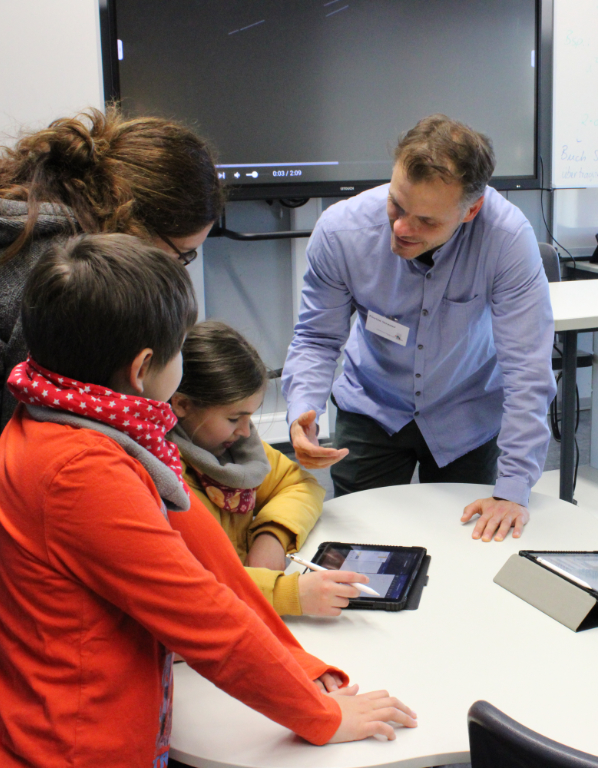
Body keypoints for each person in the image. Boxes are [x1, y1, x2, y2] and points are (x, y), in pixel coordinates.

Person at [0, 234, 416, 767]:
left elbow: (217, 570)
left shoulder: (69, 417)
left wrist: (306, 671)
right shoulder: (82, 471)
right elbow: (206, 621)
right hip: (79, 748)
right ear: (143, 367)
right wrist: (323, 717)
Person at [283, 114, 556, 543]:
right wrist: (303, 409)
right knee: (361, 542)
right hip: (373, 407)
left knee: (468, 546)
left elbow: (528, 368)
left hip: (464, 411)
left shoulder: (506, 240)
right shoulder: (342, 232)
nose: (401, 228)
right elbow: (317, 338)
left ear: (472, 210)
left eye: (427, 221)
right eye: (396, 204)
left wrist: (514, 488)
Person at [0, 105, 223, 432]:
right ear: (138, 228)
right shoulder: (65, 281)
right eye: (182, 255)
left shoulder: (32, 221)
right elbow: (30, 438)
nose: (180, 271)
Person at [169, 320, 363, 617]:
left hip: (246, 608)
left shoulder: (233, 447)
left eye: (250, 416)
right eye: (234, 419)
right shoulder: (163, 479)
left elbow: (300, 484)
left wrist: (272, 535)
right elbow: (190, 587)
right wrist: (287, 593)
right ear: (182, 405)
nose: (247, 432)